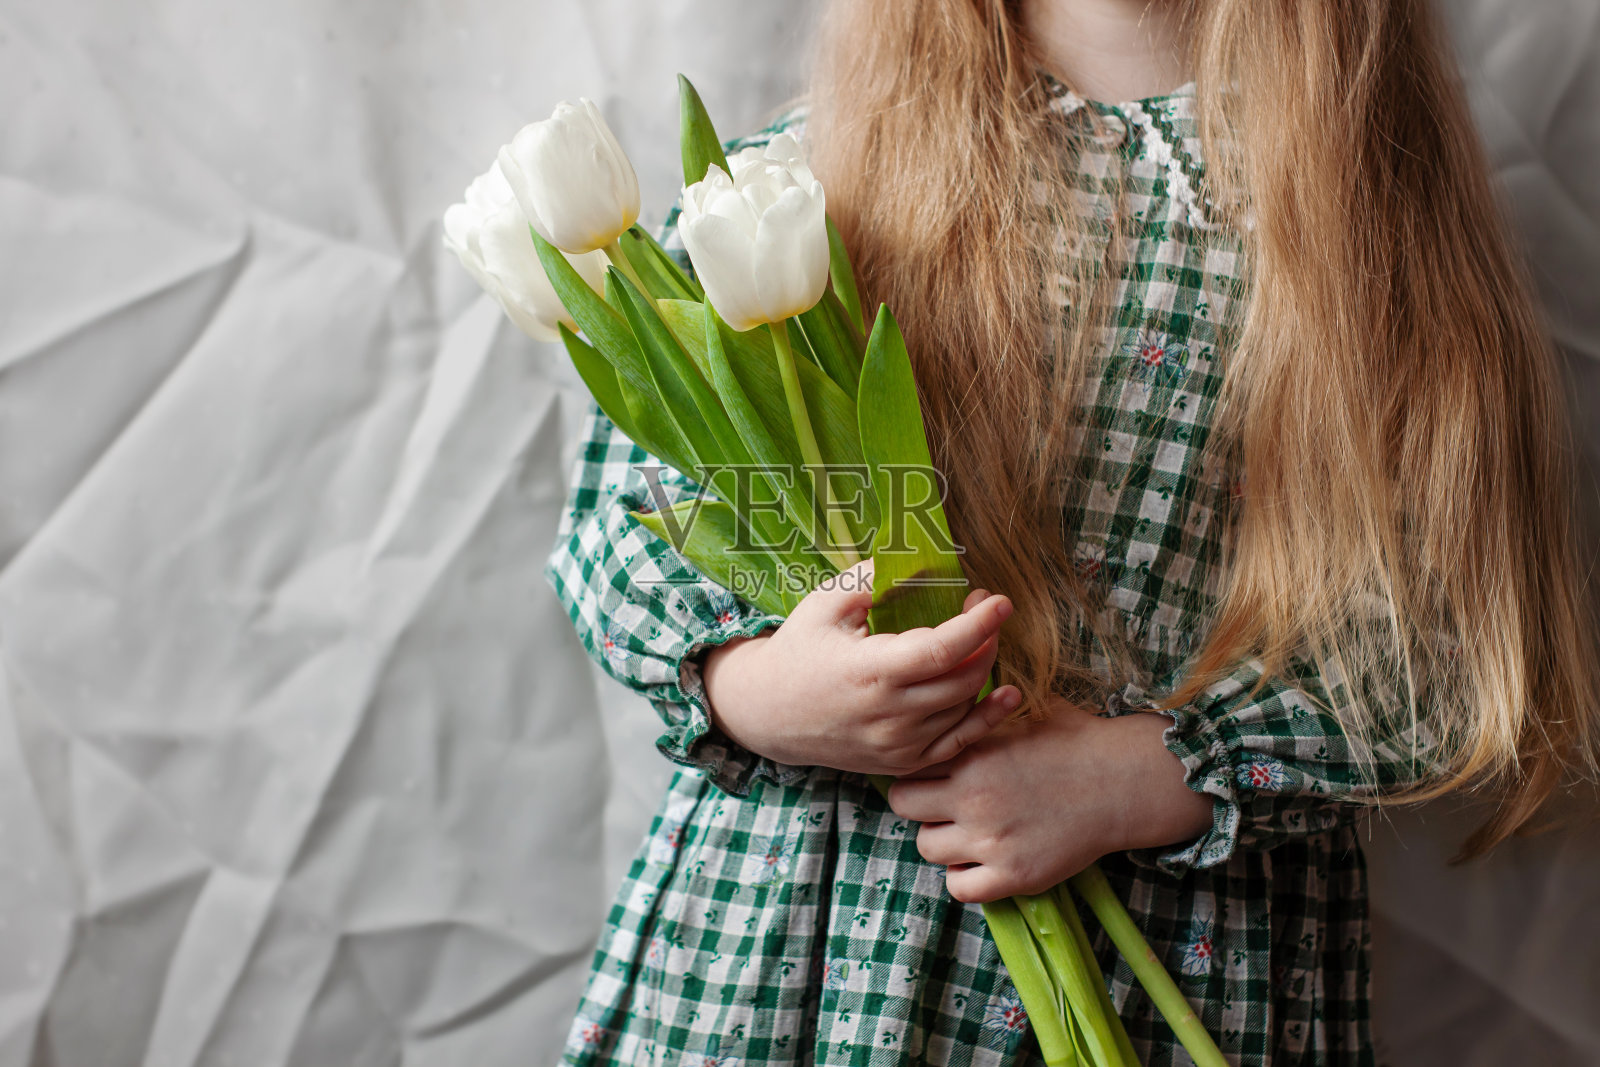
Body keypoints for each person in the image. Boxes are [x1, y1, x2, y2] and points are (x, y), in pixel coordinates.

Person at [545, 0, 1600, 1063]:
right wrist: (761, 690)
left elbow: (1448, 633)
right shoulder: (803, 184)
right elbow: (625, 522)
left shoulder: (1369, 223)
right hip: (796, 951)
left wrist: (1143, 776)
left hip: (1176, 951)